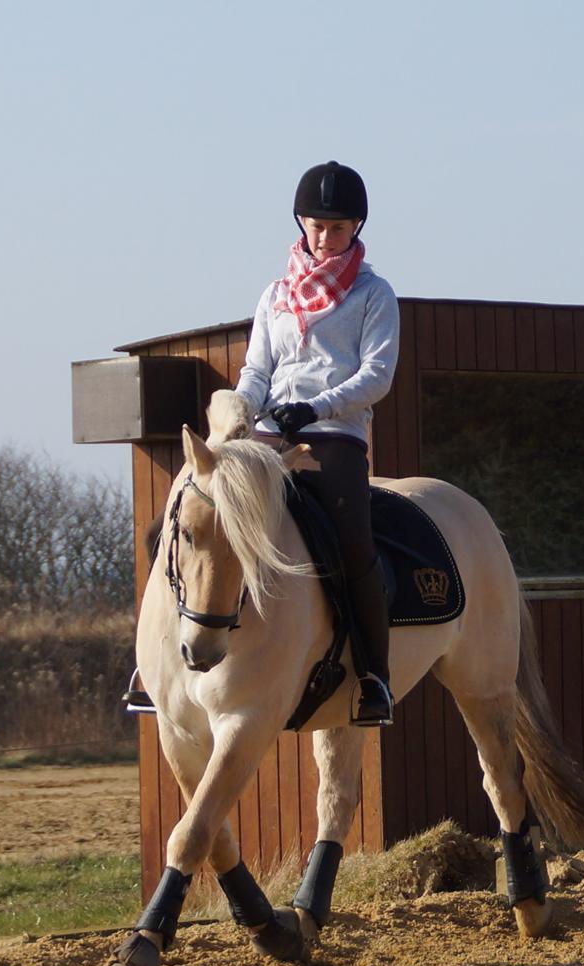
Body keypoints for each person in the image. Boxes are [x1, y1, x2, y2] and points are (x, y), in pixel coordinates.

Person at [232, 160, 399, 726]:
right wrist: (243, 409)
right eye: (317, 226)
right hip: (269, 432)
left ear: (356, 228)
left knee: (353, 542)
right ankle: (161, 663)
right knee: (199, 514)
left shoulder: (374, 294)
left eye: (338, 228)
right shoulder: (275, 294)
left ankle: (375, 676)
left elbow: (377, 376)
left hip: (335, 435)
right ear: (301, 224)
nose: (325, 239)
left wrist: (316, 406)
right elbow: (257, 369)